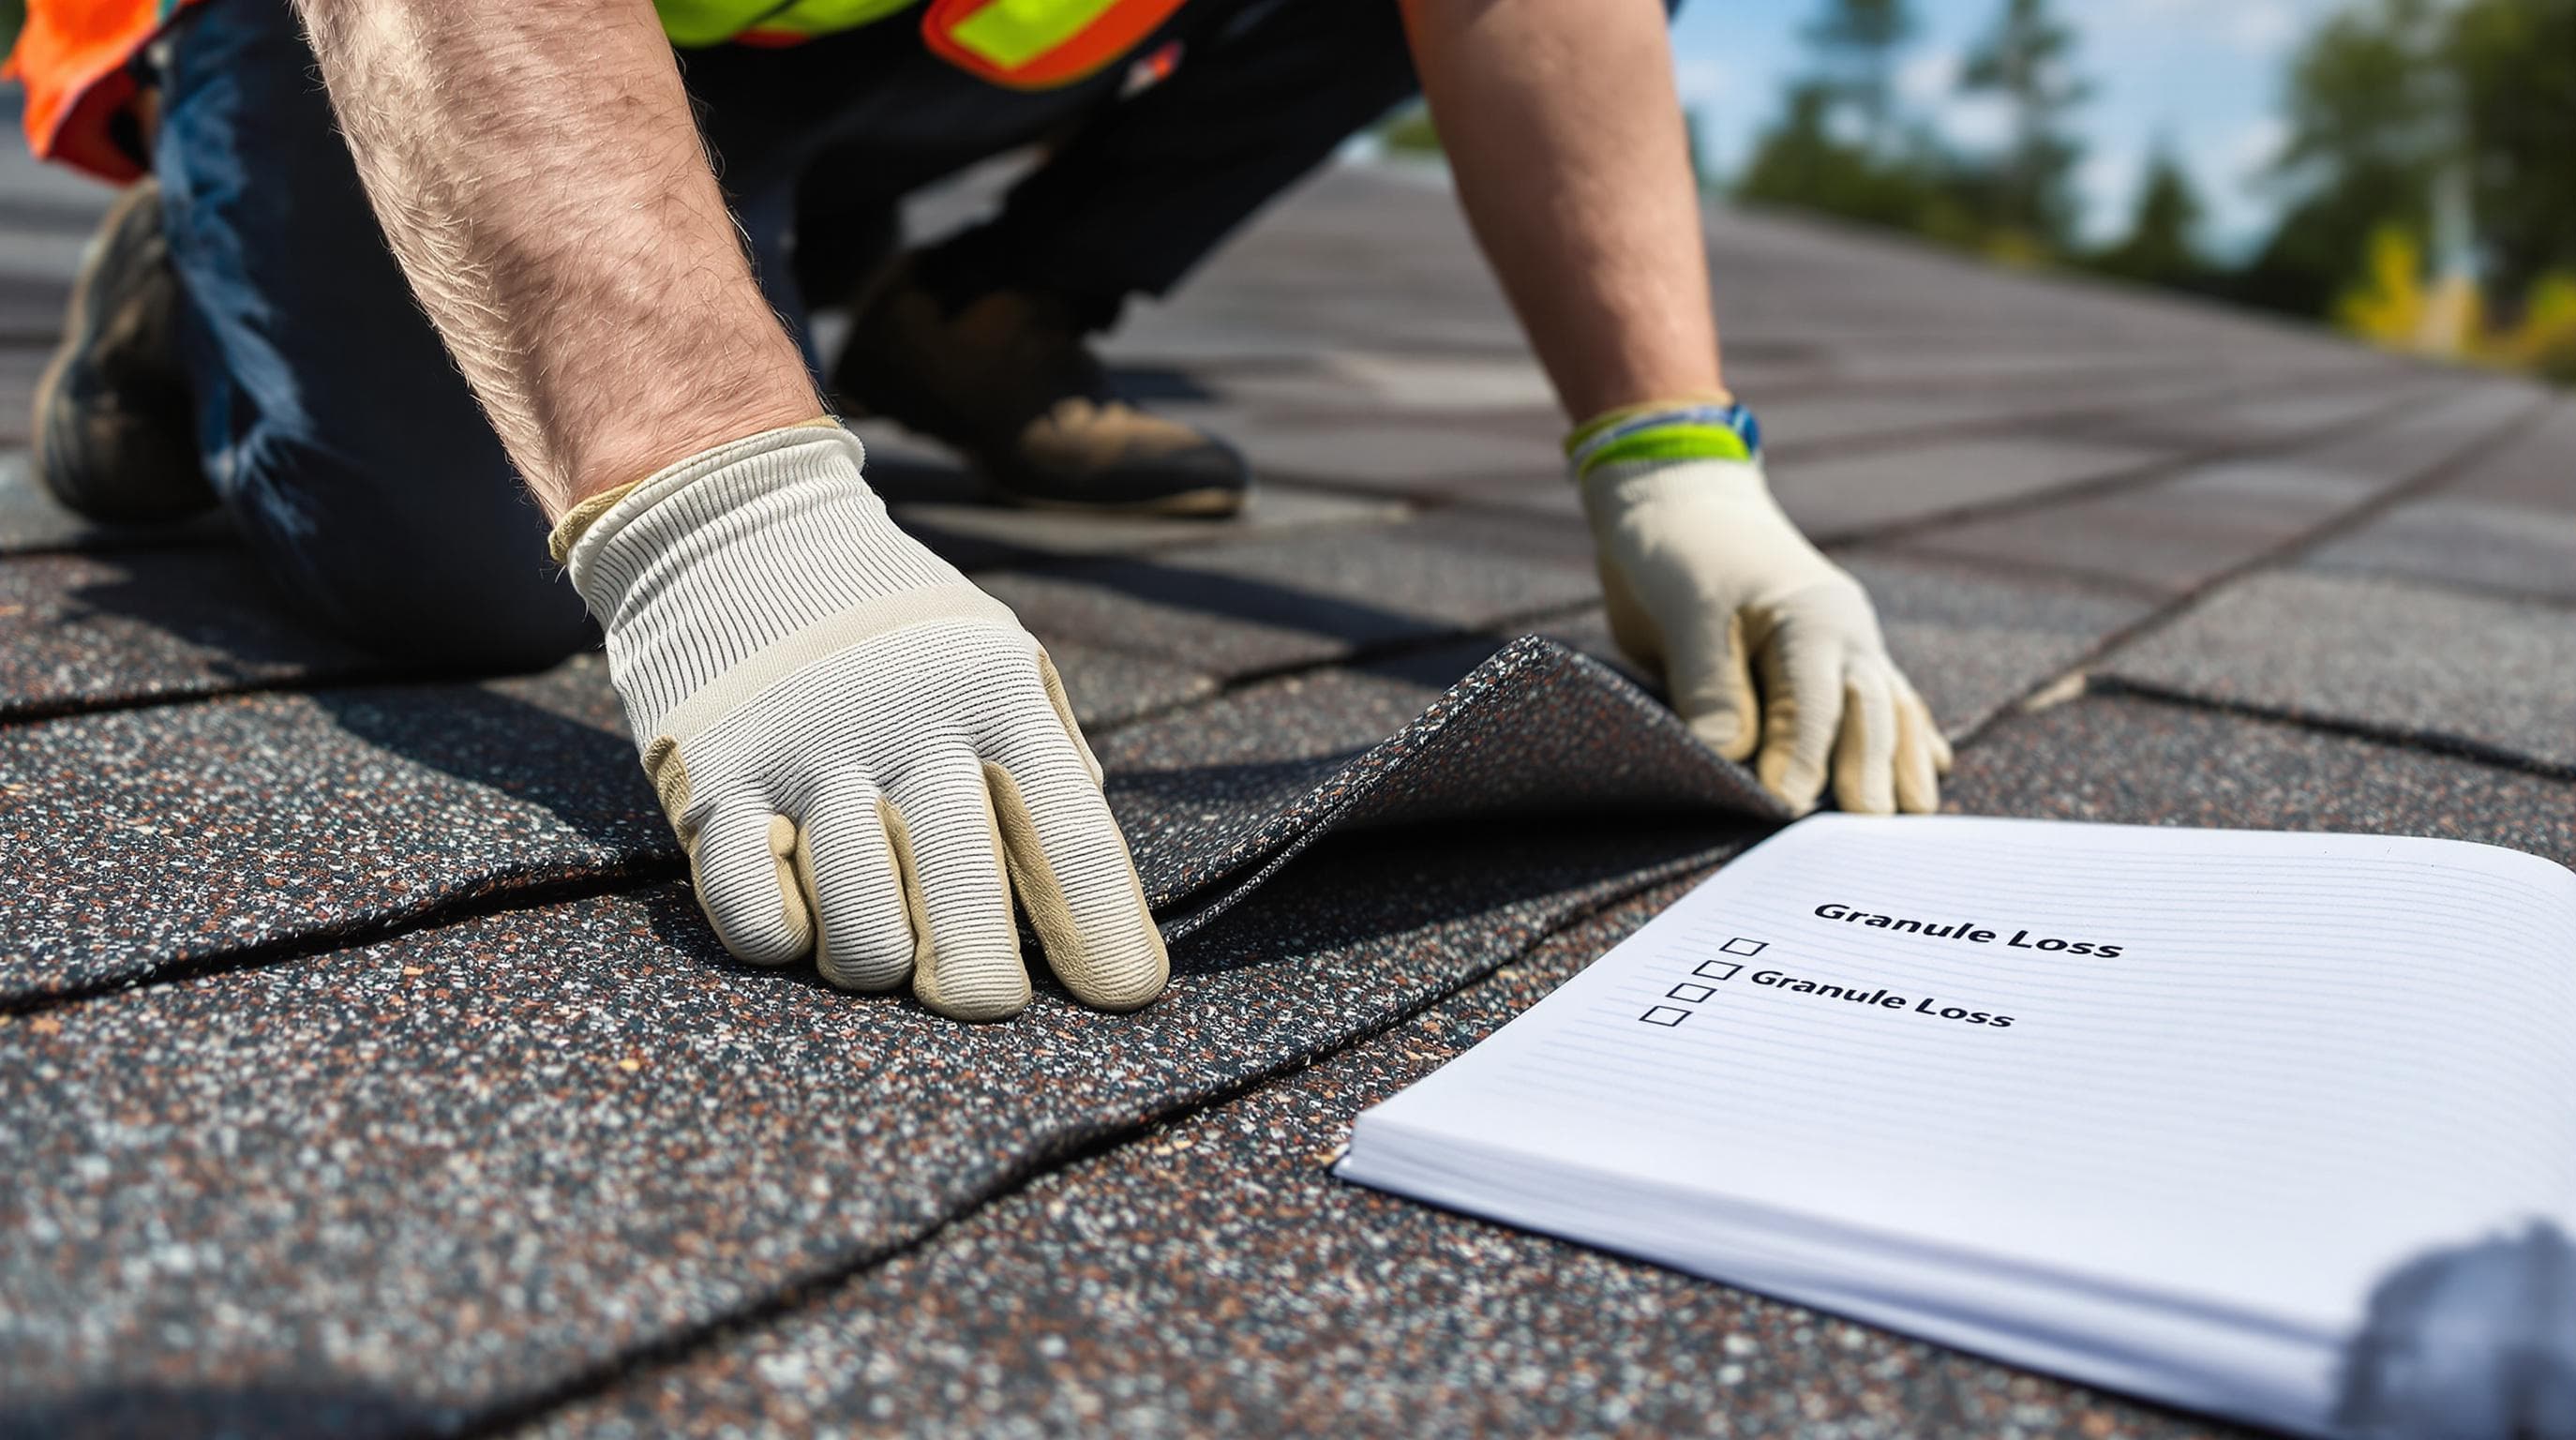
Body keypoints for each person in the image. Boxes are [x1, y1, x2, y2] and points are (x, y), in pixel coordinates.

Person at [15, 0, 1951, 1023]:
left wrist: (1669, 459)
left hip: (858, 47)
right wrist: (709, 497)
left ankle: (977, 313)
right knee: (461, 565)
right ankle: (228, 238)